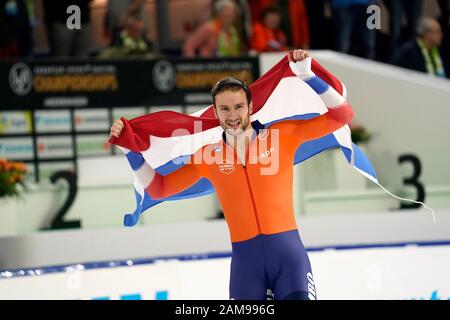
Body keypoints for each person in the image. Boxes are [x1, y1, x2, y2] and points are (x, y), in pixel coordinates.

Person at [110, 50, 355, 300]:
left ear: (250, 107)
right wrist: (130, 150)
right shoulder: (208, 157)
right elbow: (159, 189)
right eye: (224, 109)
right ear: (215, 113)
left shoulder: (283, 136)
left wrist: (307, 75)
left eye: (238, 107)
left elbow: (342, 115)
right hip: (246, 268)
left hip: (289, 260)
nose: (233, 115)